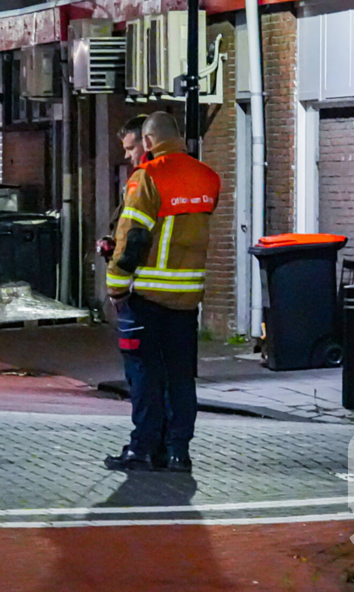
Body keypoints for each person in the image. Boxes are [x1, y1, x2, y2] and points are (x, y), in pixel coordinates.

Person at [104, 111, 221, 473]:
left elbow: (135, 237)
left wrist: (117, 286)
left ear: (150, 141)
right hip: (187, 299)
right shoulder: (208, 178)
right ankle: (177, 451)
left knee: (144, 374)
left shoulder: (148, 177)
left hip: (146, 298)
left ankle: (142, 448)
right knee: (181, 376)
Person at [96, 115, 149, 261]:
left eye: (131, 148)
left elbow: (133, 228)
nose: (126, 156)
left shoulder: (148, 180)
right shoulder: (138, 178)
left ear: (147, 143)